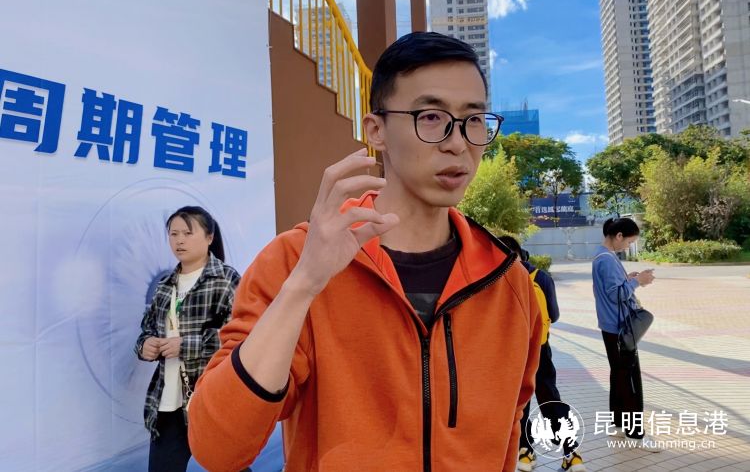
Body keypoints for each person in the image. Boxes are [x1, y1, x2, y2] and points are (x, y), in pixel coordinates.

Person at [187, 32, 543, 472]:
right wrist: (304, 285)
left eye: (473, 120)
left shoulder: (508, 283)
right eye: (432, 117)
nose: (458, 143)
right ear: (377, 130)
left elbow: (508, 432)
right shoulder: (295, 260)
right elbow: (217, 449)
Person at [135, 206, 241, 472]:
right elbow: (146, 330)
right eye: (174, 234)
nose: (179, 241)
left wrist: (186, 345)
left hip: (211, 397)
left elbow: (240, 336)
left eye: (187, 233)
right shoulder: (164, 285)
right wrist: (145, 346)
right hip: (168, 400)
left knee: (229, 466)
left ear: (209, 237)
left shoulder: (226, 279)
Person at [499, 237, 586, 472]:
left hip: (511, 351)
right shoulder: (541, 277)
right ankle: (571, 453)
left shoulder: (497, 276)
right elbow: (553, 316)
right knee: (550, 397)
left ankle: (525, 453)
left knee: (520, 402)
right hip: (540, 348)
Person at [592, 217, 660, 452]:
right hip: (620, 327)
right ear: (618, 236)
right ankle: (636, 434)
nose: (628, 246)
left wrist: (628, 279)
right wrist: (638, 281)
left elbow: (612, 288)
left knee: (619, 376)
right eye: (629, 242)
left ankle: (620, 424)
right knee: (629, 380)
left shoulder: (603, 256)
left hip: (612, 326)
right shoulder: (607, 259)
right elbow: (617, 295)